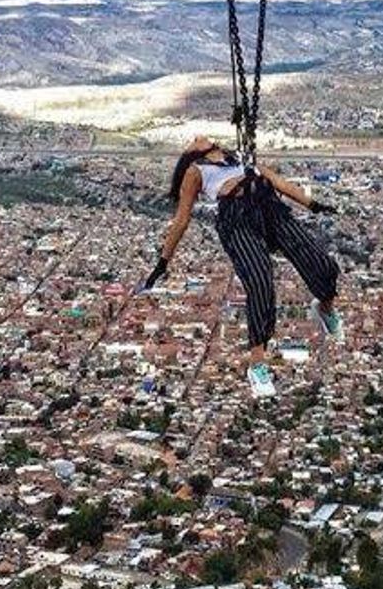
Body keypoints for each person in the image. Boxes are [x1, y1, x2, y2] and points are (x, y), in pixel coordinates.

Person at [136, 136, 342, 399]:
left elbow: (278, 182)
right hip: (237, 220)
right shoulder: (195, 171)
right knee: (259, 279)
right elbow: (181, 220)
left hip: (269, 207)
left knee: (321, 262)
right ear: (190, 154)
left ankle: (325, 308)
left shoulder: (242, 157)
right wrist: (163, 262)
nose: (199, 136)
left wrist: (312, 205)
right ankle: (257, 365)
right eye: (192, 140)